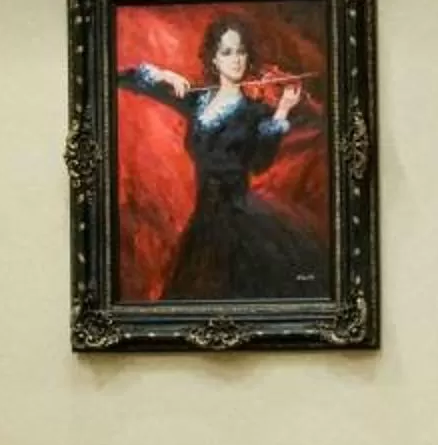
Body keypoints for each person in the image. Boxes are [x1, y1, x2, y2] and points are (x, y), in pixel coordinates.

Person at [120, 15, 327, 300]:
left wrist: (281, 112)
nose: (236, 60)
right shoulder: (196, 101)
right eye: (227, 52)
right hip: (204, 221)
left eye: (241, 51)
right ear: (214, 60)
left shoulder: (256, 112)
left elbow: (259, 163)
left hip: (240, 221)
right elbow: (124, 79)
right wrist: (164, 75)